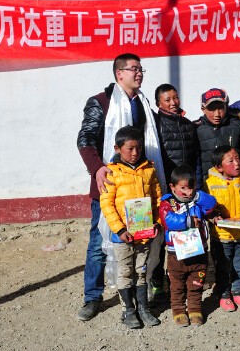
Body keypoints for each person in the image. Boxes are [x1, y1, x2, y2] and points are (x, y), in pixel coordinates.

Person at [77, 52, 164, 321]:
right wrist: (97, 168)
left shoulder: (143, 104)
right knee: (99, 243)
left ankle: (141, 296)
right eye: (133, 69)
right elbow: (85, 139)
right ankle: (93, 297)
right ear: (119, 73)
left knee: (144, 243)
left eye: (141, 69)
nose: (139, 73)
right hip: (111, 184)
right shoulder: (101, 102)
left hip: (140, 187)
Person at [99, 126, 162, 329]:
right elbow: (107, 205)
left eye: (139, 148)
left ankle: (143, 308)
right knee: (125, 272)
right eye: (130, 148)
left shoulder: (149, 169)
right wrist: (119, 229)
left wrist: (157, 222)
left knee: (141, 271)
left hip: (144, 233)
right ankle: (129, 310)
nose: (135, 153)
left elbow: (157, 199)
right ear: (117, 148)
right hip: (123, 235)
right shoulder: (112, 173)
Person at [151, 83, 201, 303]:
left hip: (185, 190)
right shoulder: (155, 125)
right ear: (158, 103)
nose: (173, 103)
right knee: (162, 237)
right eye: (167, 99)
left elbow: (196, 158)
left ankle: (183, 278)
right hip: (165, 189)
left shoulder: (188, 125)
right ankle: (157, 282)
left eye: (175, 98)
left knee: (186, 230)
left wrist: (196, 184)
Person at [159, 165, 216, 327]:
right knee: (177, 284)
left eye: (191, 187)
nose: (187, 191)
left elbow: (212, 205)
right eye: (183, 188)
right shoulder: (167, 203)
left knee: (196, 282)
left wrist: (197, 195)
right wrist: (188, 221)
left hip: (198, 250)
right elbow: (167, 220)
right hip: (176, 253)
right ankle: (178, 310)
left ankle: (195, 308)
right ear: (172, 187)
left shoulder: (197, 201)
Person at [205, 146, 240, 312]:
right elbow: (206, 207)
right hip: (222, 236)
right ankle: (224, 294)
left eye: (238, 158)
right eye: (231, 161)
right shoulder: (210, 184)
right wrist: (213, 216)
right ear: (219, 167)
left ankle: (238, 292)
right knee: (223, 266)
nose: (237, 163)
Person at [195, 88, 240, 178]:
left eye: (221, 108)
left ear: (226, 107)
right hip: (207, 183)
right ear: (203, 109)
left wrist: (236, 167)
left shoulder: (237, 126)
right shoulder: (197, 128)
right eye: (212, 109)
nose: (217, 114)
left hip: (234, 182)